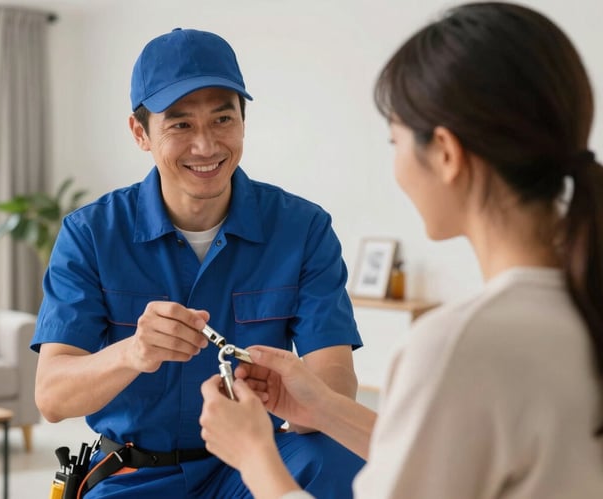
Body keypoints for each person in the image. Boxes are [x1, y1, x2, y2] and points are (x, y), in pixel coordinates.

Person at [199, 3, 603, 498]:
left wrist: (254, 457)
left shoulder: (460, 345)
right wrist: (324, 408)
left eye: (395, 141)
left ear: (447, 155)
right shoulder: (581, 306)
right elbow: (454, 459)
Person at [30, 27, 365, 498]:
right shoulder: (89, 235)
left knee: (335, 455)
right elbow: (52, 397)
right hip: (136, 474)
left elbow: (335, 379)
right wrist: (134, 353)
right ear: (140, 132)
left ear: (243, 122)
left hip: (256, 463)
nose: (206, 146)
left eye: (222, 120)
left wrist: (298, 400)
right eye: (181, 124)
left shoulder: (303, 228)